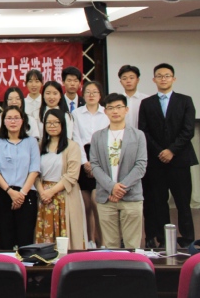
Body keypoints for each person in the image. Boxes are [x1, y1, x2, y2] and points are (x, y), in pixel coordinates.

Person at [139, 63, 198, 247]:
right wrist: (160, 151)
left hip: (180, 160)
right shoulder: (147, 103)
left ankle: (187, 240)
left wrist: (172, 150)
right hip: (156, 162)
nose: (163, 79)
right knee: (159, 202)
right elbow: (144, 131)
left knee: (183, 203)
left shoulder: (185, 101)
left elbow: (188, 130)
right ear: (153, 79)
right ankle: (164, 240)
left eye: (167, 75)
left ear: (174, 78)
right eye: (159, 76)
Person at [92, 93, 148, 249]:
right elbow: (94, 165)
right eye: (110, 108)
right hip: (106, 198)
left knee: (132, 245)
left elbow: (141, 165)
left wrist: (121, 188)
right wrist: (111, 187)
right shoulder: (97, 137)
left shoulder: (138, 135)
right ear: (105, 111)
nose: (115, 111)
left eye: (118, 107)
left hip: (131, 197)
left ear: (126, 110)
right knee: (111, 246)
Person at [0, 105, 40, 250]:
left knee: (26, 238)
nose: (13, 121)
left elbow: (34, 170)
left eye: (16, 118)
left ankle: (26, 265)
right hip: (3, 193)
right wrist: (10, 192)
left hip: (26, 193)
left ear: (23, 121)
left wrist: (21, 194)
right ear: (3, 121)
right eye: (9, 118)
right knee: (5, 238)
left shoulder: (31, 142)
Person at [34, 109, 84, 249]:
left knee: (67, 237)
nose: (52, 126)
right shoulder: (39, 146)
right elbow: (34, 173)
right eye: (49, 123)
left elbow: (72, 175)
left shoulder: (72, 146)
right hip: (43, 197)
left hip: (65, 195)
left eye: (56, 122)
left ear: (63, 124)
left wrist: (51, 192)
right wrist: (42, 192)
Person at [71, 81, 108, 249]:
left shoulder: (106, 113)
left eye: (95, 92)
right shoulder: (76, 114)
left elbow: (107, 139)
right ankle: (89, 241)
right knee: (85, 205)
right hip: (82, 159)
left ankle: (103, 242)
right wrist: (85, 162)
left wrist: (95, 164)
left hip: (101, 161)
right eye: (88, 92)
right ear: (83, 95)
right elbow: (76, 138)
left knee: (97, 202)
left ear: (100, 95)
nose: (91, 95)